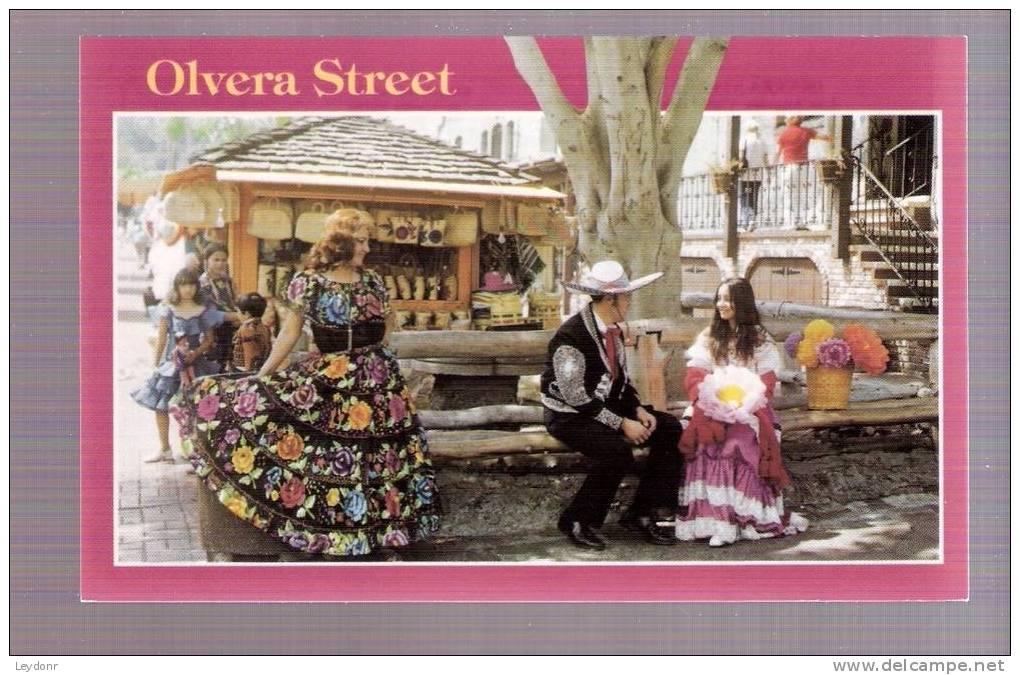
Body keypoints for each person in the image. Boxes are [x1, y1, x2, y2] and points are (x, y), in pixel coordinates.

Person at [175, 209, 440, 557]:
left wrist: (373, 351)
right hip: (333, 381)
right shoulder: (310, 283)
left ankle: (381, 537)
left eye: (367, 240)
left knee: (382, 462)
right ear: (341, 242)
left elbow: (389, 323)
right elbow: (289, 333)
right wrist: (262, 376)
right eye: (360, 240)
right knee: (334, 462)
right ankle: (337, 536)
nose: (367, 247)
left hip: (379, 384)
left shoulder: (373, 280)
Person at [541, 260, 685, 550]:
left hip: (600, 406)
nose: (630, 301)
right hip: (568, 414)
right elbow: (575, 397)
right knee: (616, 452)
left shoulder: (612, 330)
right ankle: (577, 520)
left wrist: (638, 410)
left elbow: (620, 381)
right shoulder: (570, 336)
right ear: (611, 300)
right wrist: (622, 424)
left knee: (669, 428)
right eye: (626, 296)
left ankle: (642, 511)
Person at [675, 277, 808, 546]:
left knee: (736, 443)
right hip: (712, 407)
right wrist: (710, 398)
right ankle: (712, 520)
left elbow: (766, 383)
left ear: (742, 303)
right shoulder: (710, 336)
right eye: (719, 298)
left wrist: (742, 403)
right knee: (703, 440)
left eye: (728, 299)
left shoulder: (759, 339)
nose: (722, 304)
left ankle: (736, 521)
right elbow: (695, 375)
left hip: (750, 409)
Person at [132, 268, 224, 464]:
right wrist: (156, 363)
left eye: (192, 285)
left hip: (194, 365)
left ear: (197, 287)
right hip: (169, 365)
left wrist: (195, 354)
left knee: (195, 406)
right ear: (177, 286)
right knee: (161, 405)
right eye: (183, 285)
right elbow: (162, 337)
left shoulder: (202, 310)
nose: (188, 289)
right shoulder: (167, 308)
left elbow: (209, 340)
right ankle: (164, 448)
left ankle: (193, 449)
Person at [776, 116, 833, 229]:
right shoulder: (806, 131)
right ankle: (800, 222)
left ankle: (791, 222)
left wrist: (772, 168)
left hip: (789, 168)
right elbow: (824, 138)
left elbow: (778, 153)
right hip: (803, 168)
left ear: (790, 120)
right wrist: (834, 140)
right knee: (802, 195)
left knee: (789, 195)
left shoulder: (783, 134)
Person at [197, 242, 242, 372]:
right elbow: (210, 315)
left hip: (230, 329)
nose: (220, 263)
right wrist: (238, 316)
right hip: (212, 333)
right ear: (206, 261)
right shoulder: (202, 284)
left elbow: (234, 302)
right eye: (216, 260)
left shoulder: (227, 280)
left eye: (223, 260)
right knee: (215, 371)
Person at [738, 122, 770, 230]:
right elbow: (766, 160)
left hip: (746, 175)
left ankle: (746, 222)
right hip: (758, 175)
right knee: (754, 197)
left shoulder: (744, 140)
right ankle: (753, 220)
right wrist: (769, 174)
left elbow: (741, 157)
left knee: (745, 196)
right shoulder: (762, 142)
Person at [230, 292, 272, 372]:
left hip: (245, 370)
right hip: (262, 366)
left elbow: (249, 353)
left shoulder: (247, 329)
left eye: (238, 311)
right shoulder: (264, 327)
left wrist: (248, 374)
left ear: (246, 314)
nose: (237, 314)